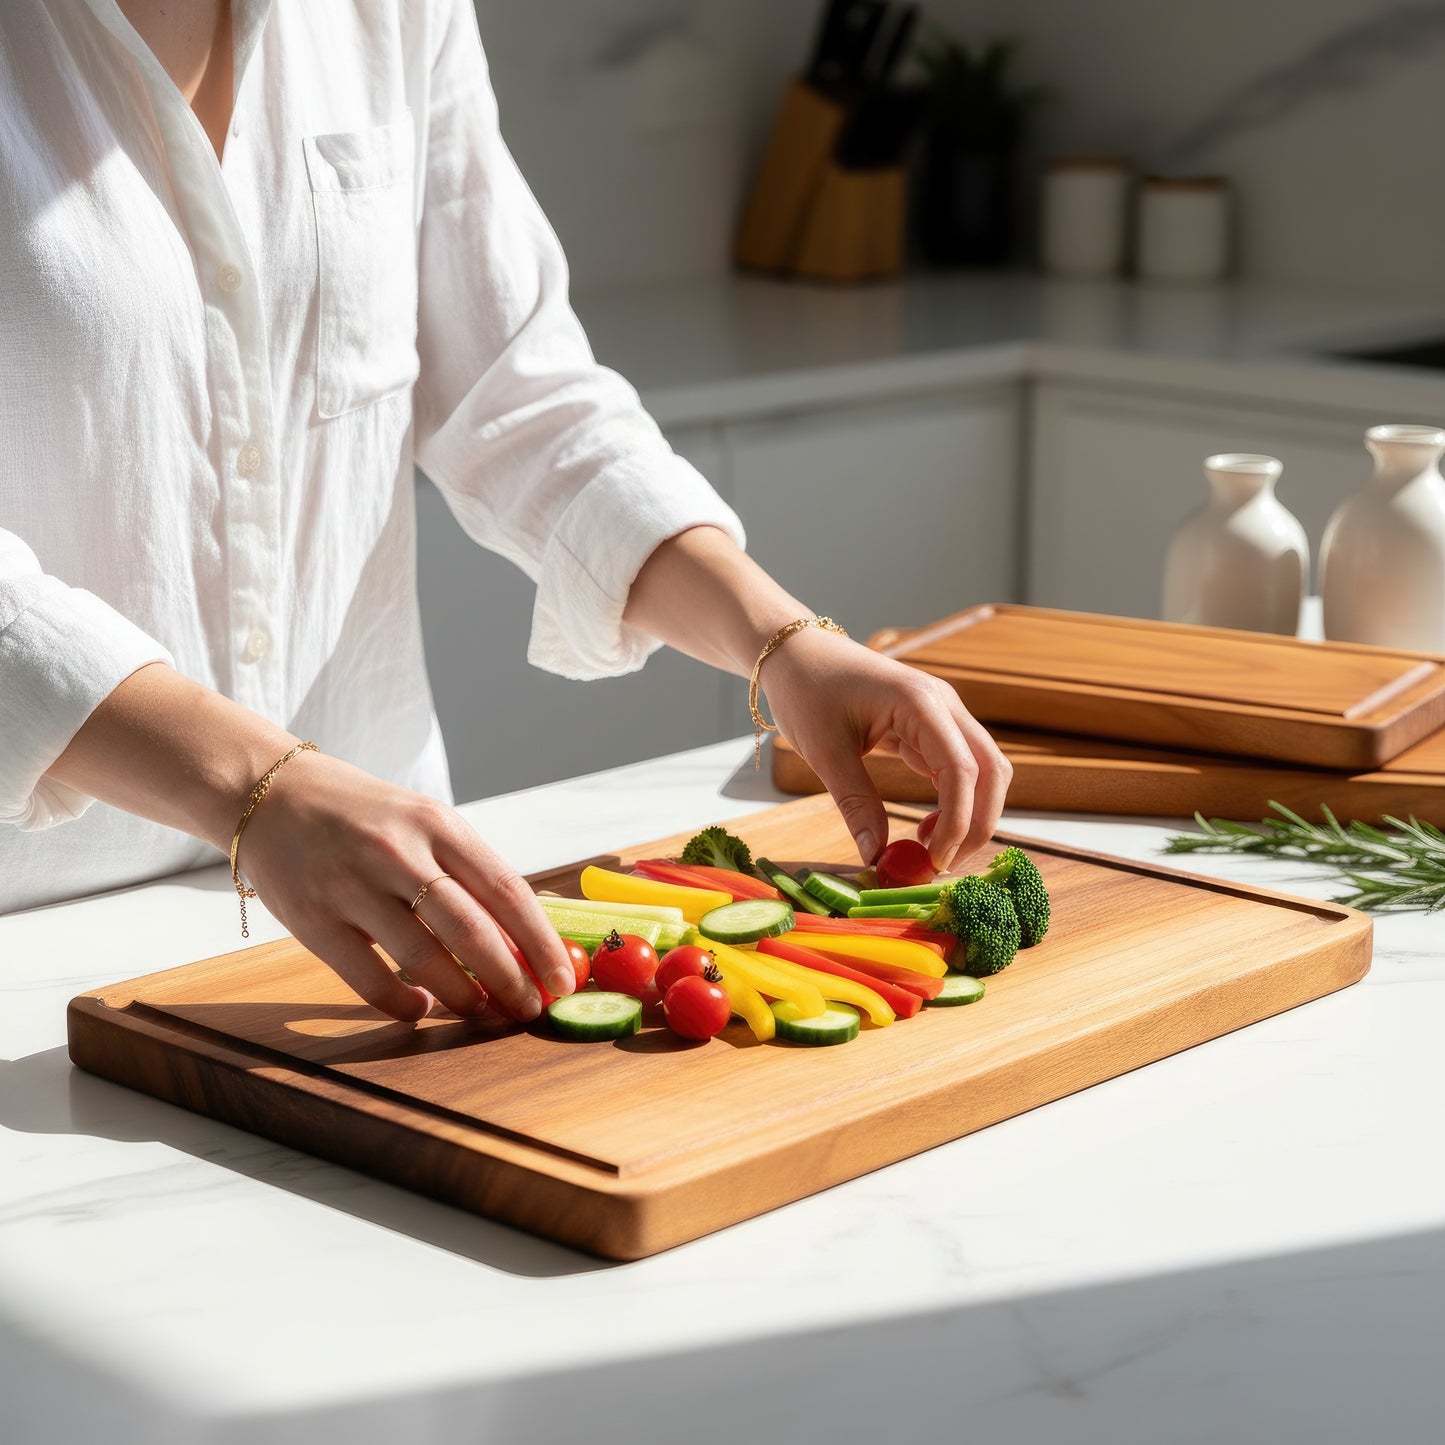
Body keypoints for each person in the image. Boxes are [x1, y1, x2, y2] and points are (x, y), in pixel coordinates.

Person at [0, 0, 1010, 1024]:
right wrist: (256, 786)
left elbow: (516, 393)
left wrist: (781, 638)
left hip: (398, 926)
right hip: (31, 941)